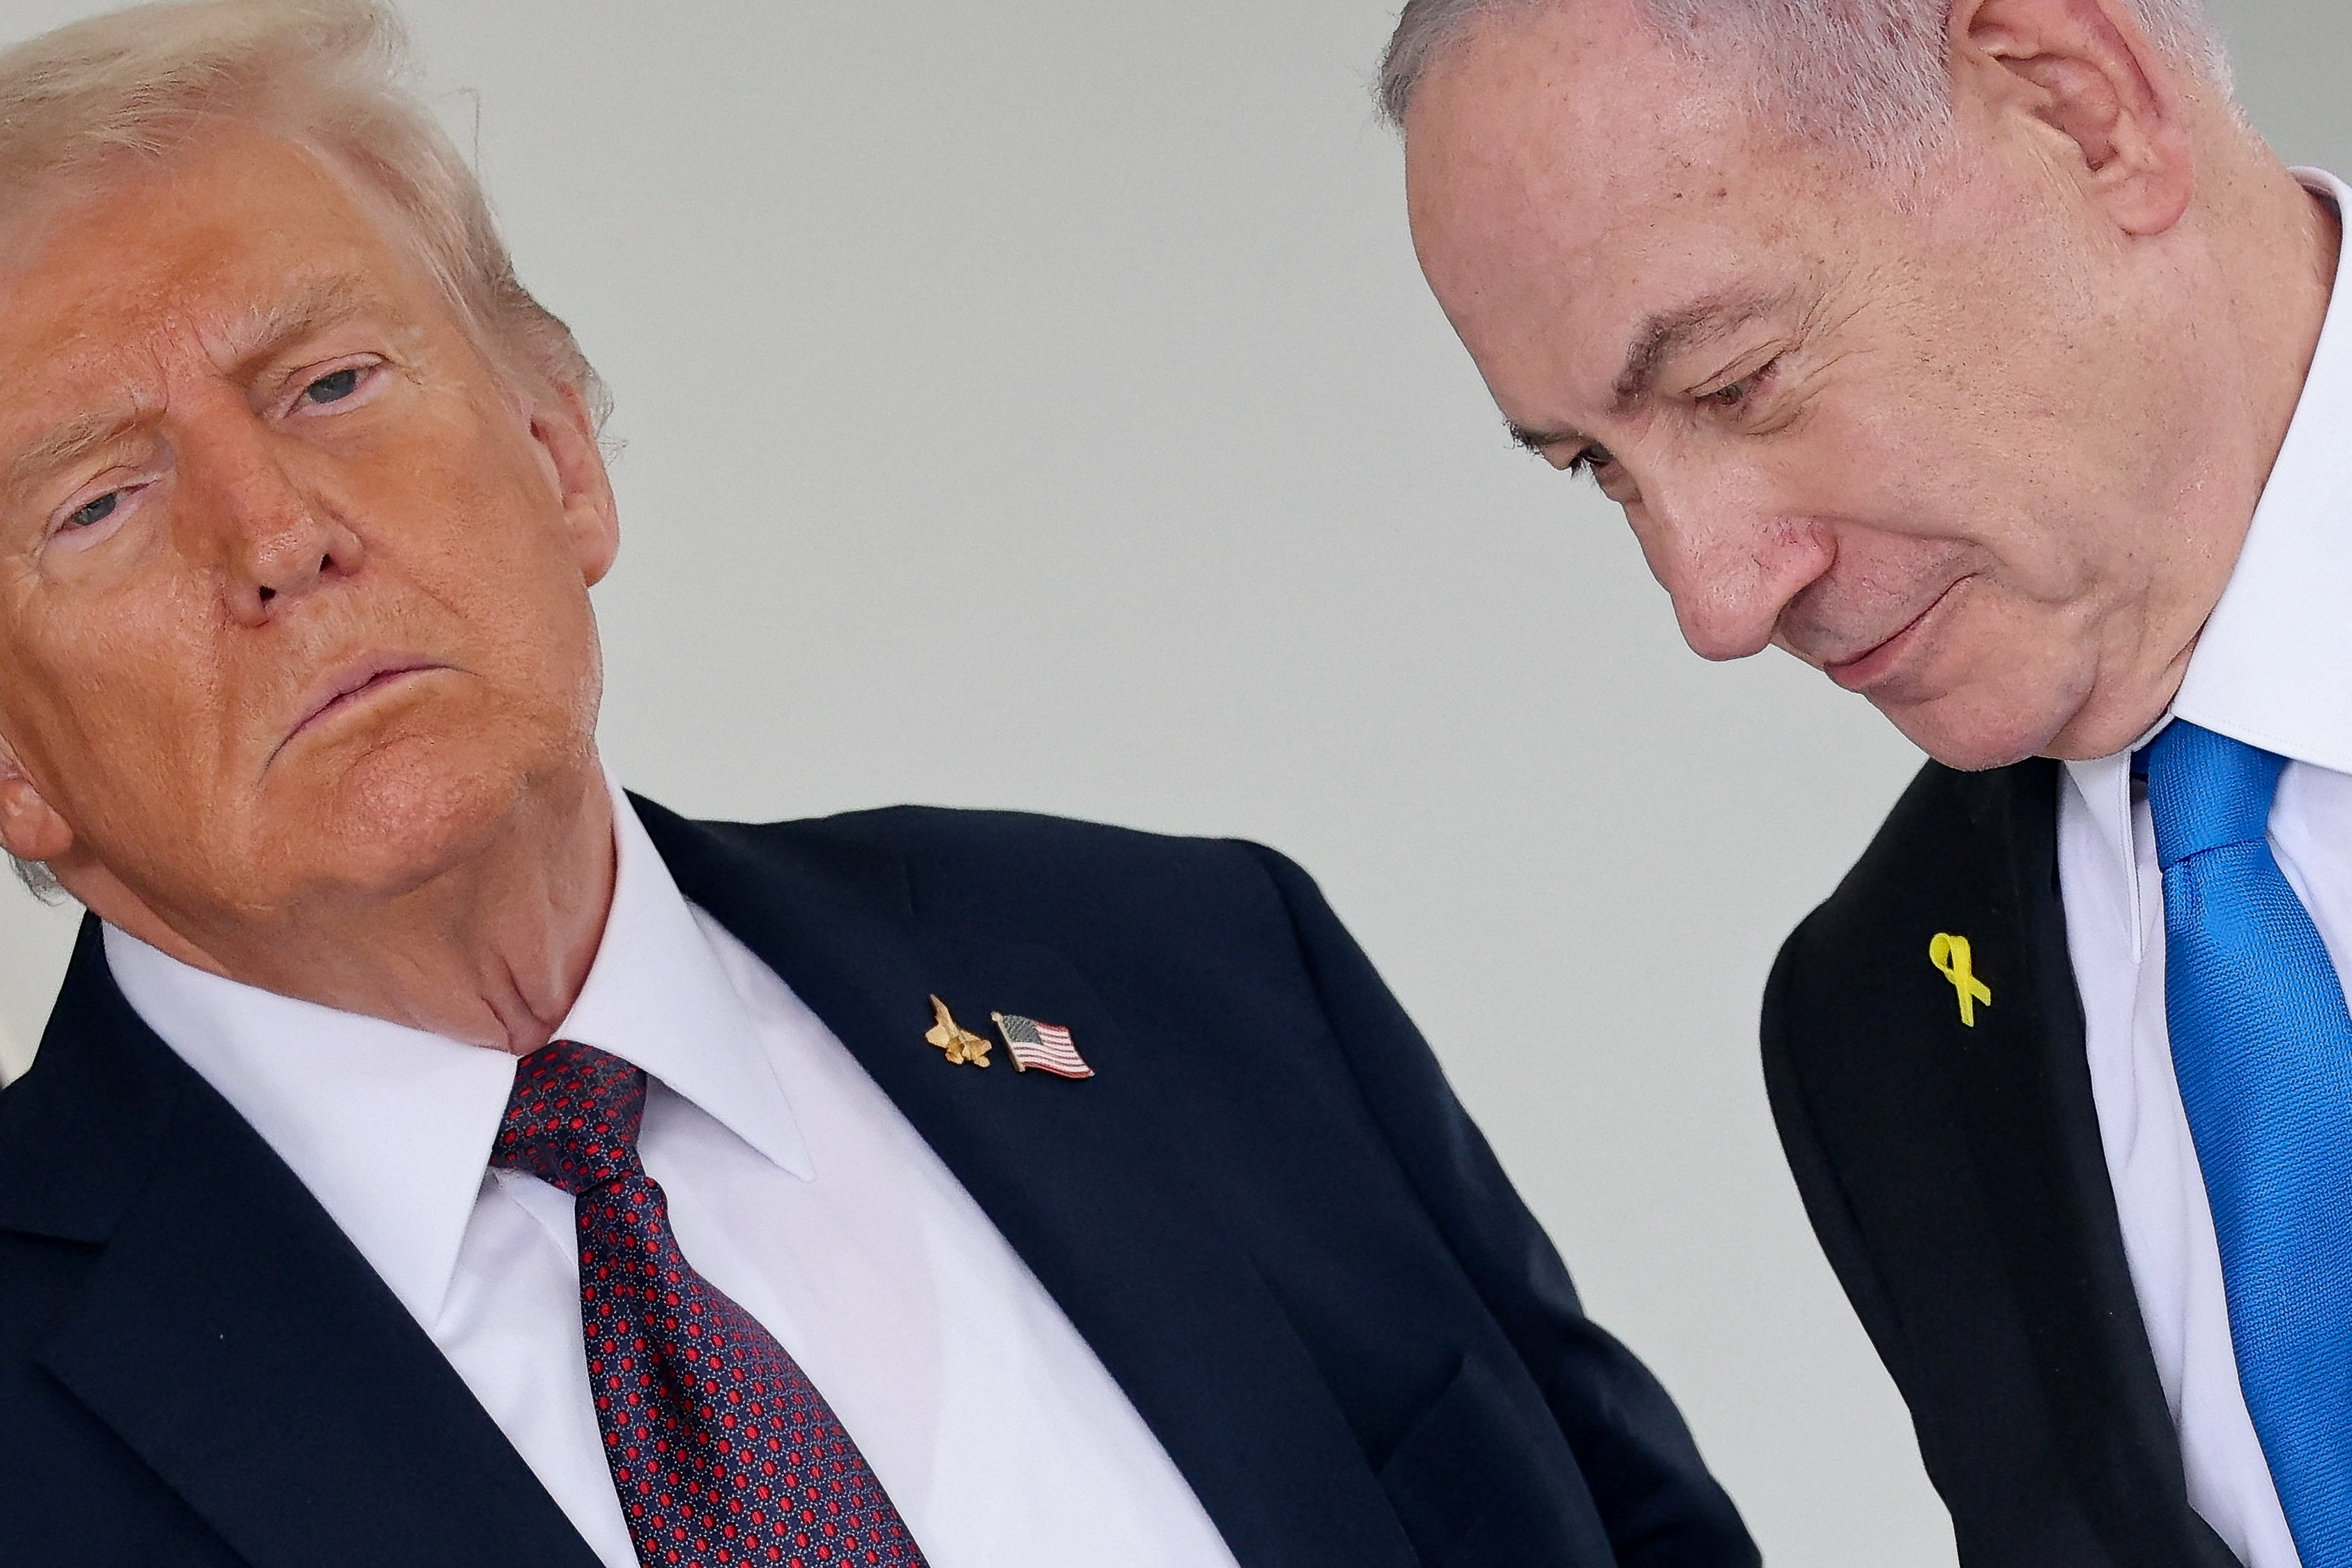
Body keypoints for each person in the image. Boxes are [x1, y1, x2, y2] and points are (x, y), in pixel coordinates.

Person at [0, 2, 1762, 1566]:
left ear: (558, 454)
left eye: (329, 382)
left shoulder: (1188, 970)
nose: (280, 535)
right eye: (98, 501)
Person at [1387, 0, 2352, 1562]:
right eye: (1598, 472)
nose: (1708, 601)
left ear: (2076, 105)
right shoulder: (1876, 1020)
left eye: (1732, 382)